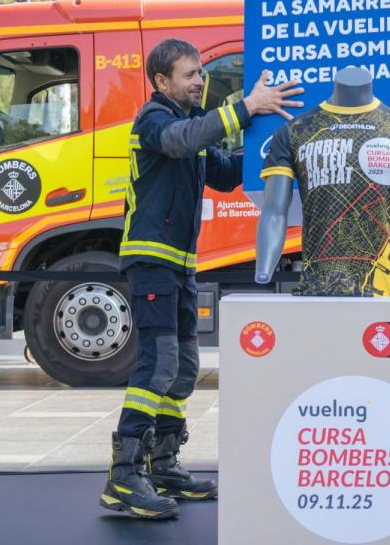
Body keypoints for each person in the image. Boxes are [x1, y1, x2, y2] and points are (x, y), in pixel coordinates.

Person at [101, 38, 303, 520]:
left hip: (179, 263)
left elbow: (229, 173)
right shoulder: (155, 120)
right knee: (159, 363)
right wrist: (245, 106)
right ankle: (124, 475)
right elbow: (182, 141)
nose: (198, 82)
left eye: (199, 74)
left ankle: (164, 464)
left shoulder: (189, 129)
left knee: (185, 366)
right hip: (151, 258)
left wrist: (275, 145)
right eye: (189, 75)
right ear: (161, 82)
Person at [254, 66, 390, 295]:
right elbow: (273, 211)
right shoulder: (293, 133)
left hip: (385, 292)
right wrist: (264, 268)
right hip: (318, 291)